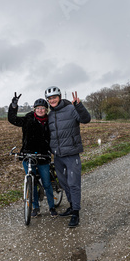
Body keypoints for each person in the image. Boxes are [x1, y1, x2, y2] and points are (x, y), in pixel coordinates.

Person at [45, 86, 91, 228]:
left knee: (73, 184)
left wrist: (79, 105)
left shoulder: (71, 109)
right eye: (50, 98)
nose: (52, 100)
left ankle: (76, 213)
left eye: (54, 97)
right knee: (64, 184)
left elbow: (86, 119)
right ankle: (71, 206)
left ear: (59, 97)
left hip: (71, 154)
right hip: (58, 156)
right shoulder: (50, 115)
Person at [8, 92, 57, 217]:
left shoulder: (50, 121)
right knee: (32, 182)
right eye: (38, 108)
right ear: (34, 109)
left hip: (43, 156)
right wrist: (13, 106)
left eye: (43, 108)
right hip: (28, 155)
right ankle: (35, 208)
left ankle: (52, 207)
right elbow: (12, 119)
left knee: (46, 183)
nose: (40, 110)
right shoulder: (28, 119)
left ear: (46, 110)